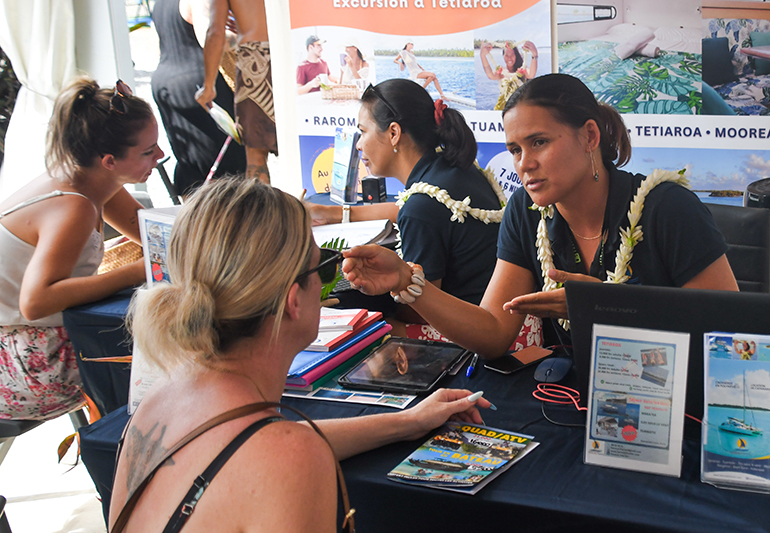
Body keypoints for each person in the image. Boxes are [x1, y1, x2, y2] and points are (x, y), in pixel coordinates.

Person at [107, 178, 492, 532]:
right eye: (323, 268)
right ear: (293, 301)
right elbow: (280, 448)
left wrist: (408, 422)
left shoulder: (161, 399)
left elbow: (258, 442)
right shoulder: (290, 456)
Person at [342, 74, 738, 358]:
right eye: (515, 149)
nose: (524, 164)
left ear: (590, 137)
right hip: (568, 398)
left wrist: (612, 308)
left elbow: (730, 332)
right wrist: (409, 282)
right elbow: (495, 331)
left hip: (675, 403)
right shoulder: (526, 211)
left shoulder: (666, 207)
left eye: (540, 143)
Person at [0, 77, 154, 420]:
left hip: (25, 339)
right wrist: (136, 272)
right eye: (147, 151)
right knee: (174, 347)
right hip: (22, 359)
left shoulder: (90, 179)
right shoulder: (74, 206)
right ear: (109, 160)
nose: (159, 156)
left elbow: (154, 235)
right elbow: (36, 301)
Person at [307, 79, 505, 338]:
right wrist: (336, 214)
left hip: (471, 335)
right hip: (504, 320)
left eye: (363, 131)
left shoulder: (422, 208)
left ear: (393, 133)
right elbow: (404, 209)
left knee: (367, 323)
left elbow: (419, 311)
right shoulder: (453, 171)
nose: (358, 144)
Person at [151, 0, 247, 196]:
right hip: (200, 84)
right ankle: (226, 222)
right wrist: (250, 34)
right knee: (226, 168)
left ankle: (195, 221)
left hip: (167, 81)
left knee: (192, 163)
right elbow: (212, 37)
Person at [195, 0, 277, 184]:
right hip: (295, 49)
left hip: (254, 55)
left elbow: (215, 32)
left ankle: (260, 212)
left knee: (256, 155)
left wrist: (209, 85)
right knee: (306, 141)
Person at [479, 40, 538, 110]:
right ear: (503, 56)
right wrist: (483, 56)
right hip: (504, 110)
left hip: (520, 109)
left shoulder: (522, 70)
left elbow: (531, 74)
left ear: (516, 55)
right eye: (506, 55)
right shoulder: (500, 72)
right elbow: (490, 75)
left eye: (512, 55)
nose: (509, 58)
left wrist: (534, 54)